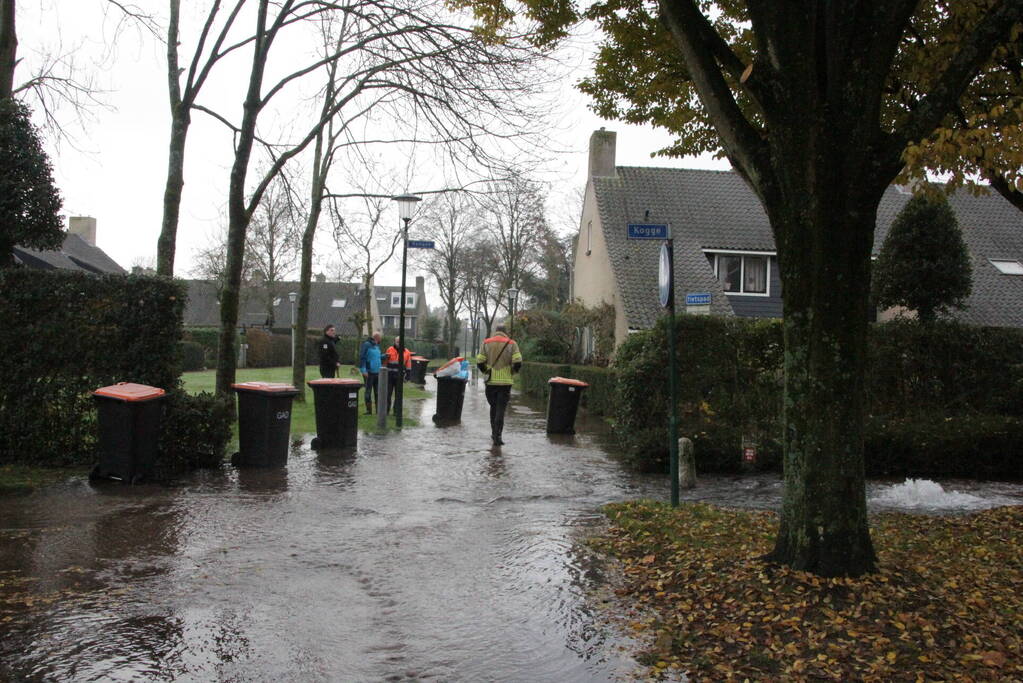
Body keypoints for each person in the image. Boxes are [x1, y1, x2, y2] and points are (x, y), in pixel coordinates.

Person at [476, 324, 522, 446]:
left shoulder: (486, 342)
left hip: (491, 382)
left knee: (493, 407)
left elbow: (480, 361)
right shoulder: (512, 343)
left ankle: (493, 433)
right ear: (505, 332)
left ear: (495, 331)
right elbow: (518, 361)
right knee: (501, 409)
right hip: (506, 382)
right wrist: (513, 371)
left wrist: (486, 371)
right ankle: (498, 435)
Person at [383, 336, 413, 413]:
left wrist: (408, 376)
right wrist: (383, 373)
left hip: (399, 377)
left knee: (398, 395)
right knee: (388, 394)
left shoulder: (407, 352)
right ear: (394, 342)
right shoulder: (390, 349)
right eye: (397, 341)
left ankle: (396, 411)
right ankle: (386, 410)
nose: (398, 343)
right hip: (389, 376)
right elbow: (385, 363)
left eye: (400, 342)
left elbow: (408, 365)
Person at [358, 331, 382, 414]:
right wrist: (363, 370)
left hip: (378, 372)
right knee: (368, 391)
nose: (381, 339)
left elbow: (377, 357)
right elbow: (362, 357)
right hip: (369, 373)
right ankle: (369, 410)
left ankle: (378, 410)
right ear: (376, 337)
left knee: (377, 392)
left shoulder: (377, 346)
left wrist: (384, 356)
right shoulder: (366, 345)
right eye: (380, 337)